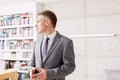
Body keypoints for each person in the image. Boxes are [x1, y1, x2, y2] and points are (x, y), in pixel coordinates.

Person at [28, 10, 75, 80]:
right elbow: (32, 62)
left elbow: (70, 66)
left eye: (38, 22)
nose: (35, 25)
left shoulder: (65, 42)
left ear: (47, 22)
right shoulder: (36, 43)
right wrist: (31, 70)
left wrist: (48, 74)